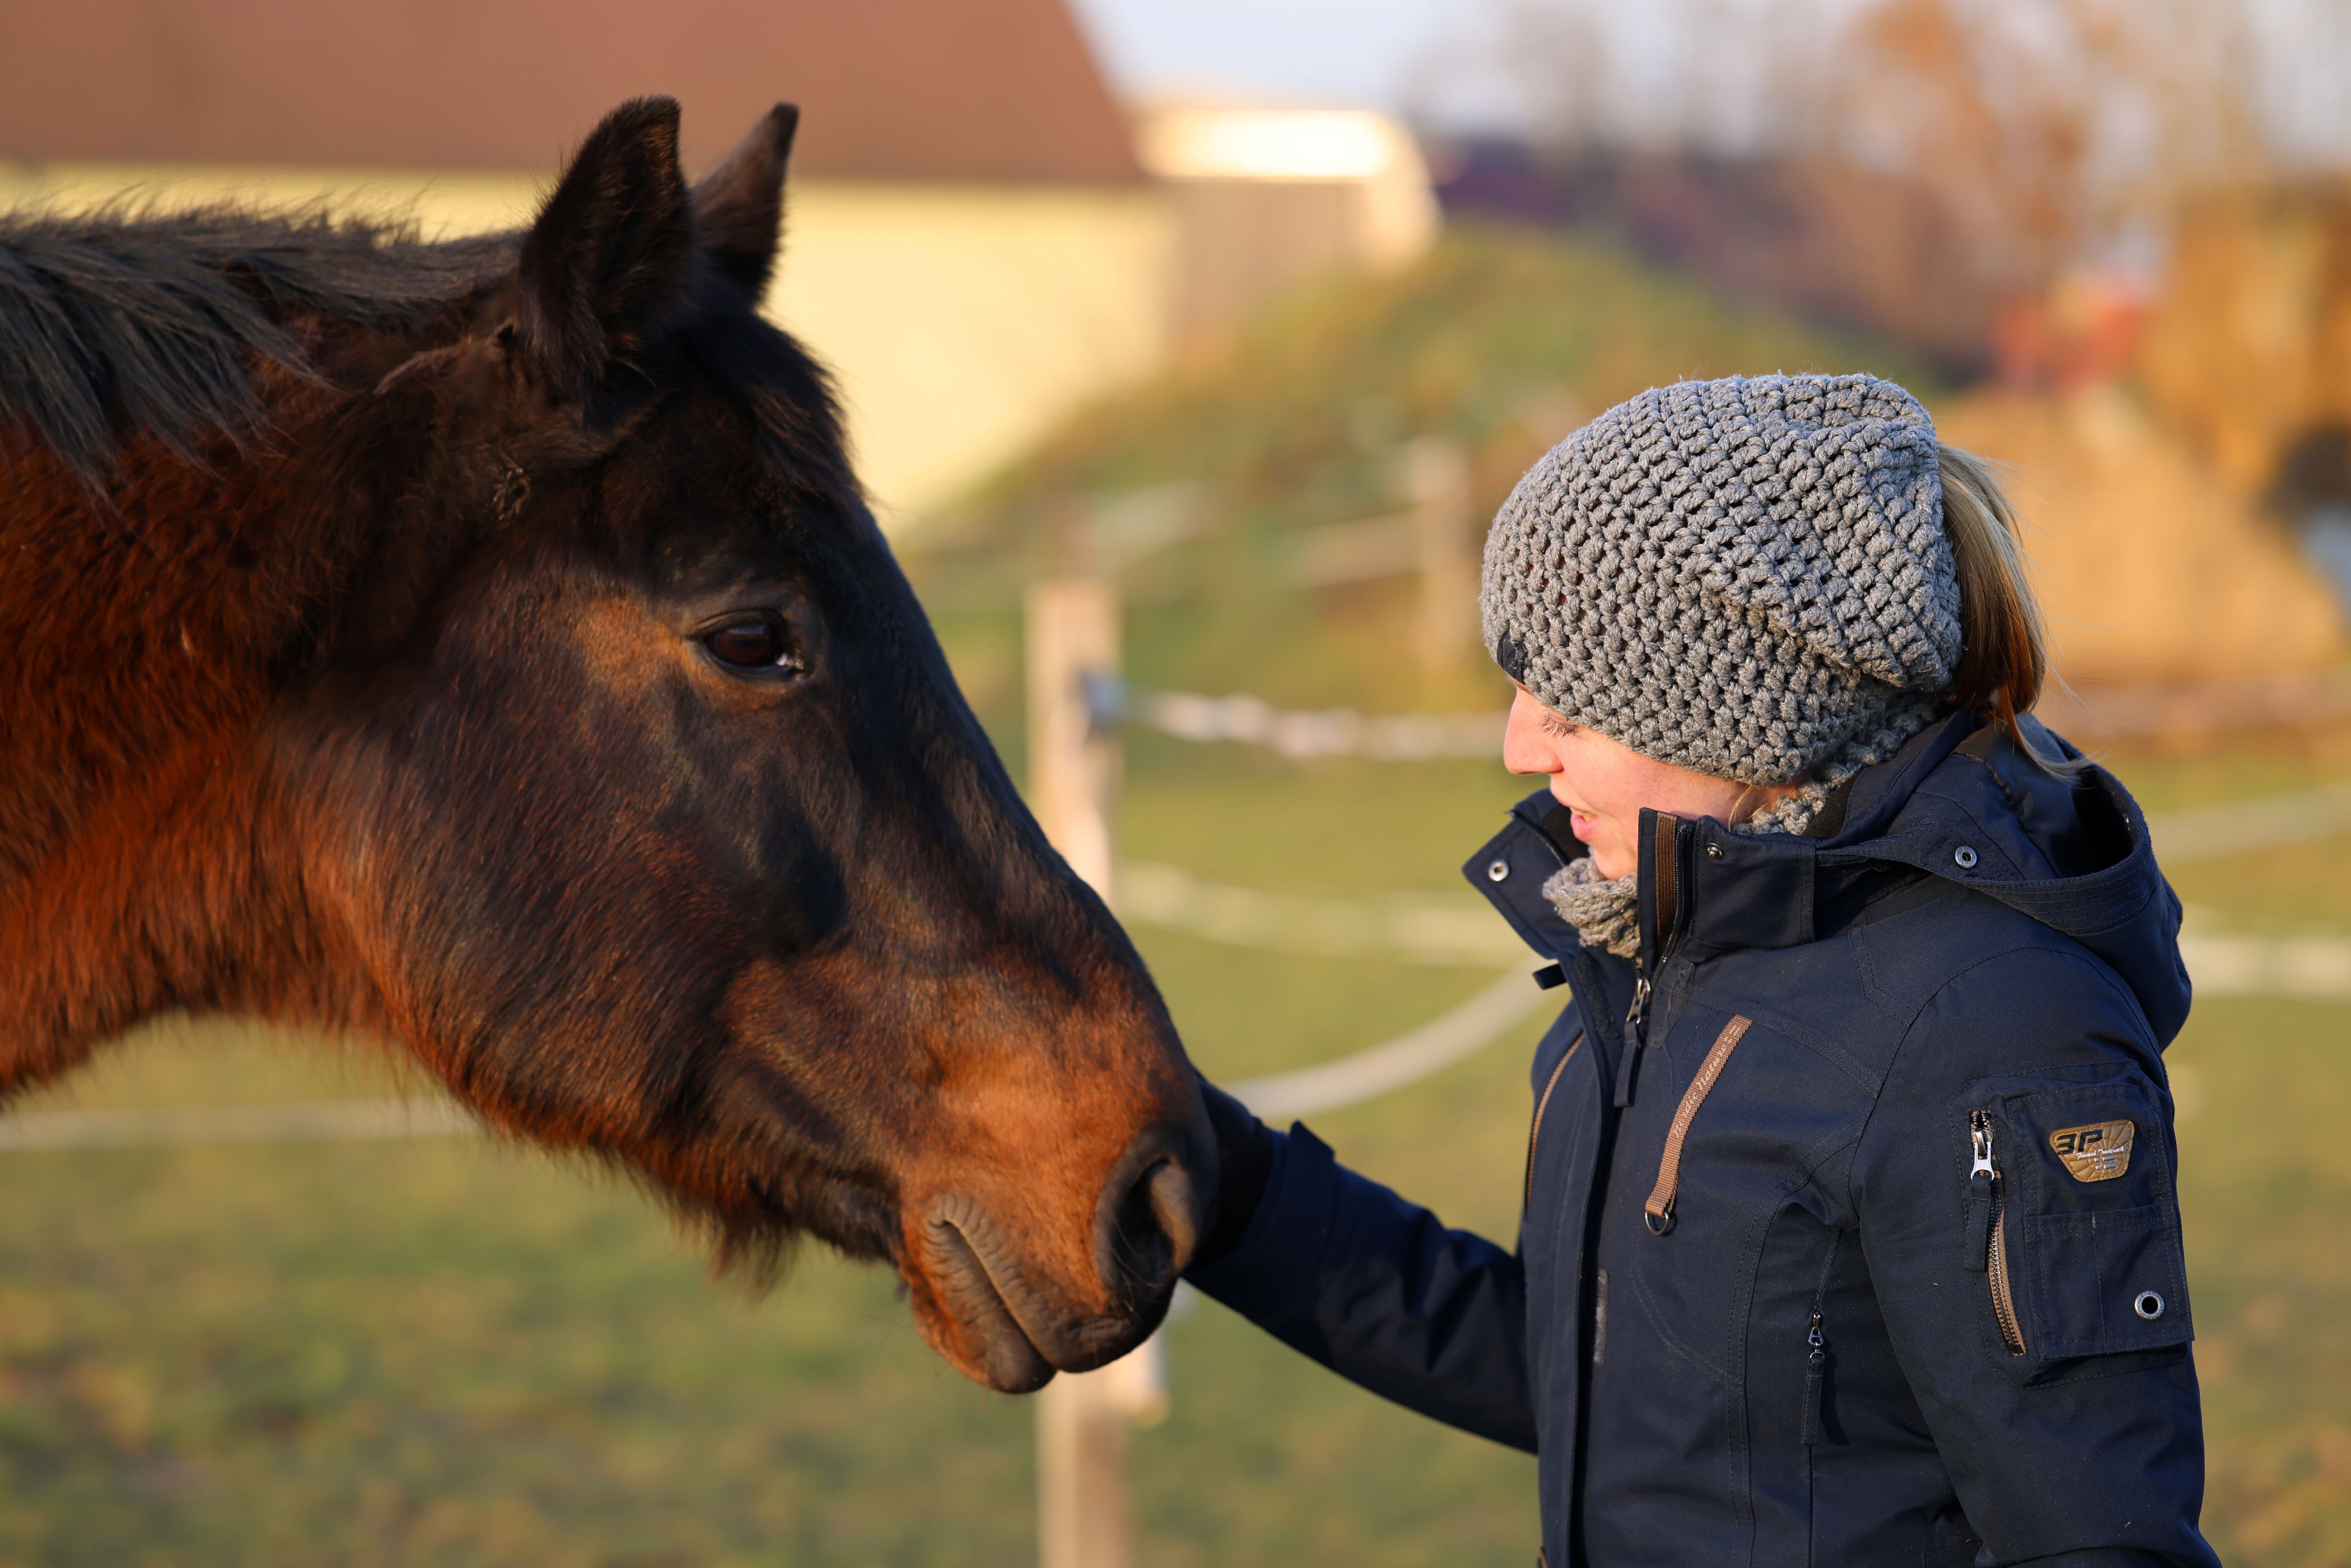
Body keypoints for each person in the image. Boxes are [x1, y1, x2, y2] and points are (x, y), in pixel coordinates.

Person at [1187, 374, 2217, 1568]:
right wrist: (1228, 1192)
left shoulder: (1988, 1023)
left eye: (1569, 708)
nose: (1517, 745)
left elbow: (2092, 1540)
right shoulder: (1655, 951)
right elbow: (1612, 1378)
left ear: (1742, 718)